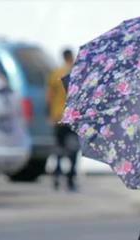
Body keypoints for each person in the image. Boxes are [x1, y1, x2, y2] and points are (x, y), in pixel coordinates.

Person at [46, 48, 79, 191]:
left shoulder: (55, 74)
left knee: (59, 148)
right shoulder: (76, 73)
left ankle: (56, 177)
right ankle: (70, 180)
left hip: (58, 116)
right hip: (72, 117)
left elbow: (49, 96)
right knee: (73, 149)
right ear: (71, 57)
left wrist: (50, 114)